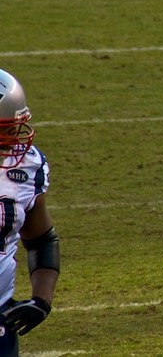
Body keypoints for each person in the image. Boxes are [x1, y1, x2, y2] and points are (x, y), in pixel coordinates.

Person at [0, 69, 60, 356]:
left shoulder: (26, 167)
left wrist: (41, 300)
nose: (15, 138)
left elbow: (41, 239)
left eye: (15, 127)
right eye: (5, 129)